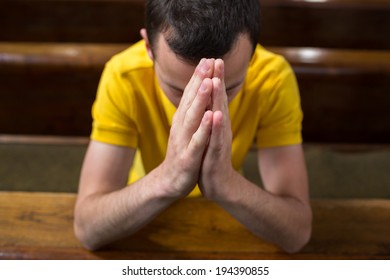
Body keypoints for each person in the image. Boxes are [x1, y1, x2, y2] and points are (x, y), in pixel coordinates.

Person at [74, 0, 312, 253]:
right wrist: (168, 178)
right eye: (179, 90)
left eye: (227, 89)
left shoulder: (272, 78)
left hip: (229, 210)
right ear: (148, 48)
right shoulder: (124, 76)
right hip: (146, 205)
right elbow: (87, 229)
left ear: (252, 55)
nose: (205, 108)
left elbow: (297, 234)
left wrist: (226, 184)